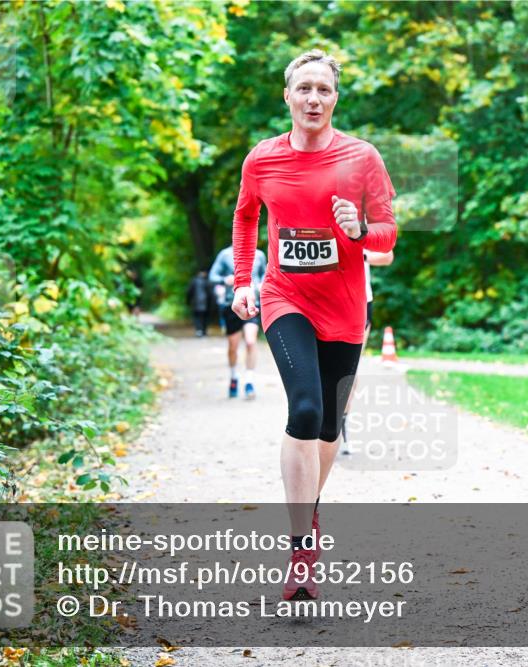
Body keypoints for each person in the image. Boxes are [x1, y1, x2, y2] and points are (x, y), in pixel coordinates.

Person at [230, 49, 397, 601]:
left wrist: (357, 233)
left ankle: (312, 509)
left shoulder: (362, 158)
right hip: (285, 296)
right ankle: (301, 546)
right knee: (304, 408)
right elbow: (245, 215)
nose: (313, 98)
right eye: (304, 88)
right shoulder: (262, 159)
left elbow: (388, 237)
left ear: (335, 98)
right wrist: (242, 282)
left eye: (323, 90)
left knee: (328, 426)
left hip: (345, 307)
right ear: (288, 96)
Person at [341, 248, 394, 443]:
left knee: (350, 369)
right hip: (327, 299)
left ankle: (341, 423)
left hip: (360, 301)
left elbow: (387, 256)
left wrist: (358, 255)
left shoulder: (367, 221)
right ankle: (323, 419)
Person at [210, 245, 266, 398]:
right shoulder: (225, 254)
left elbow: (264, 275)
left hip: (253, 304)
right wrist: (225, 279)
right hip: (231, 305)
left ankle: (249, 382)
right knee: (233, 346)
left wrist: (262, 284)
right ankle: (234, 376)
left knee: (250, 342)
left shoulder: (259, 255)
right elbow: (212, 276)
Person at [185, 270, 212, 337]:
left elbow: (189, 292)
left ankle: (199, 330)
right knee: (205, 317)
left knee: (197, 317)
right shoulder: (207, 281)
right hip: (206, 304)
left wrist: (188, 301)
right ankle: (203, 331)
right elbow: (210, 294)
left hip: (196, 303)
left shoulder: (193, 281)